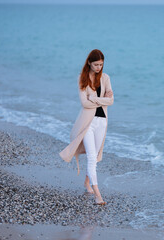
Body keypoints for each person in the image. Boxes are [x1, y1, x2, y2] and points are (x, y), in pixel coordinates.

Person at [59, 49, 114, 205]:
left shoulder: (106, 78)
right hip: (87, 123)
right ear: (89, 63)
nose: (98, 67)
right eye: (96, 64)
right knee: (91, 157)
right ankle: (98, 194)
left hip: (101, 121)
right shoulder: (82, 79)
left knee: (95, 156)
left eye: (101, 65)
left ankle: (86, 183)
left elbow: (111, 101)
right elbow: (84, 103)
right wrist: (102, 98)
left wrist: (94, 99)